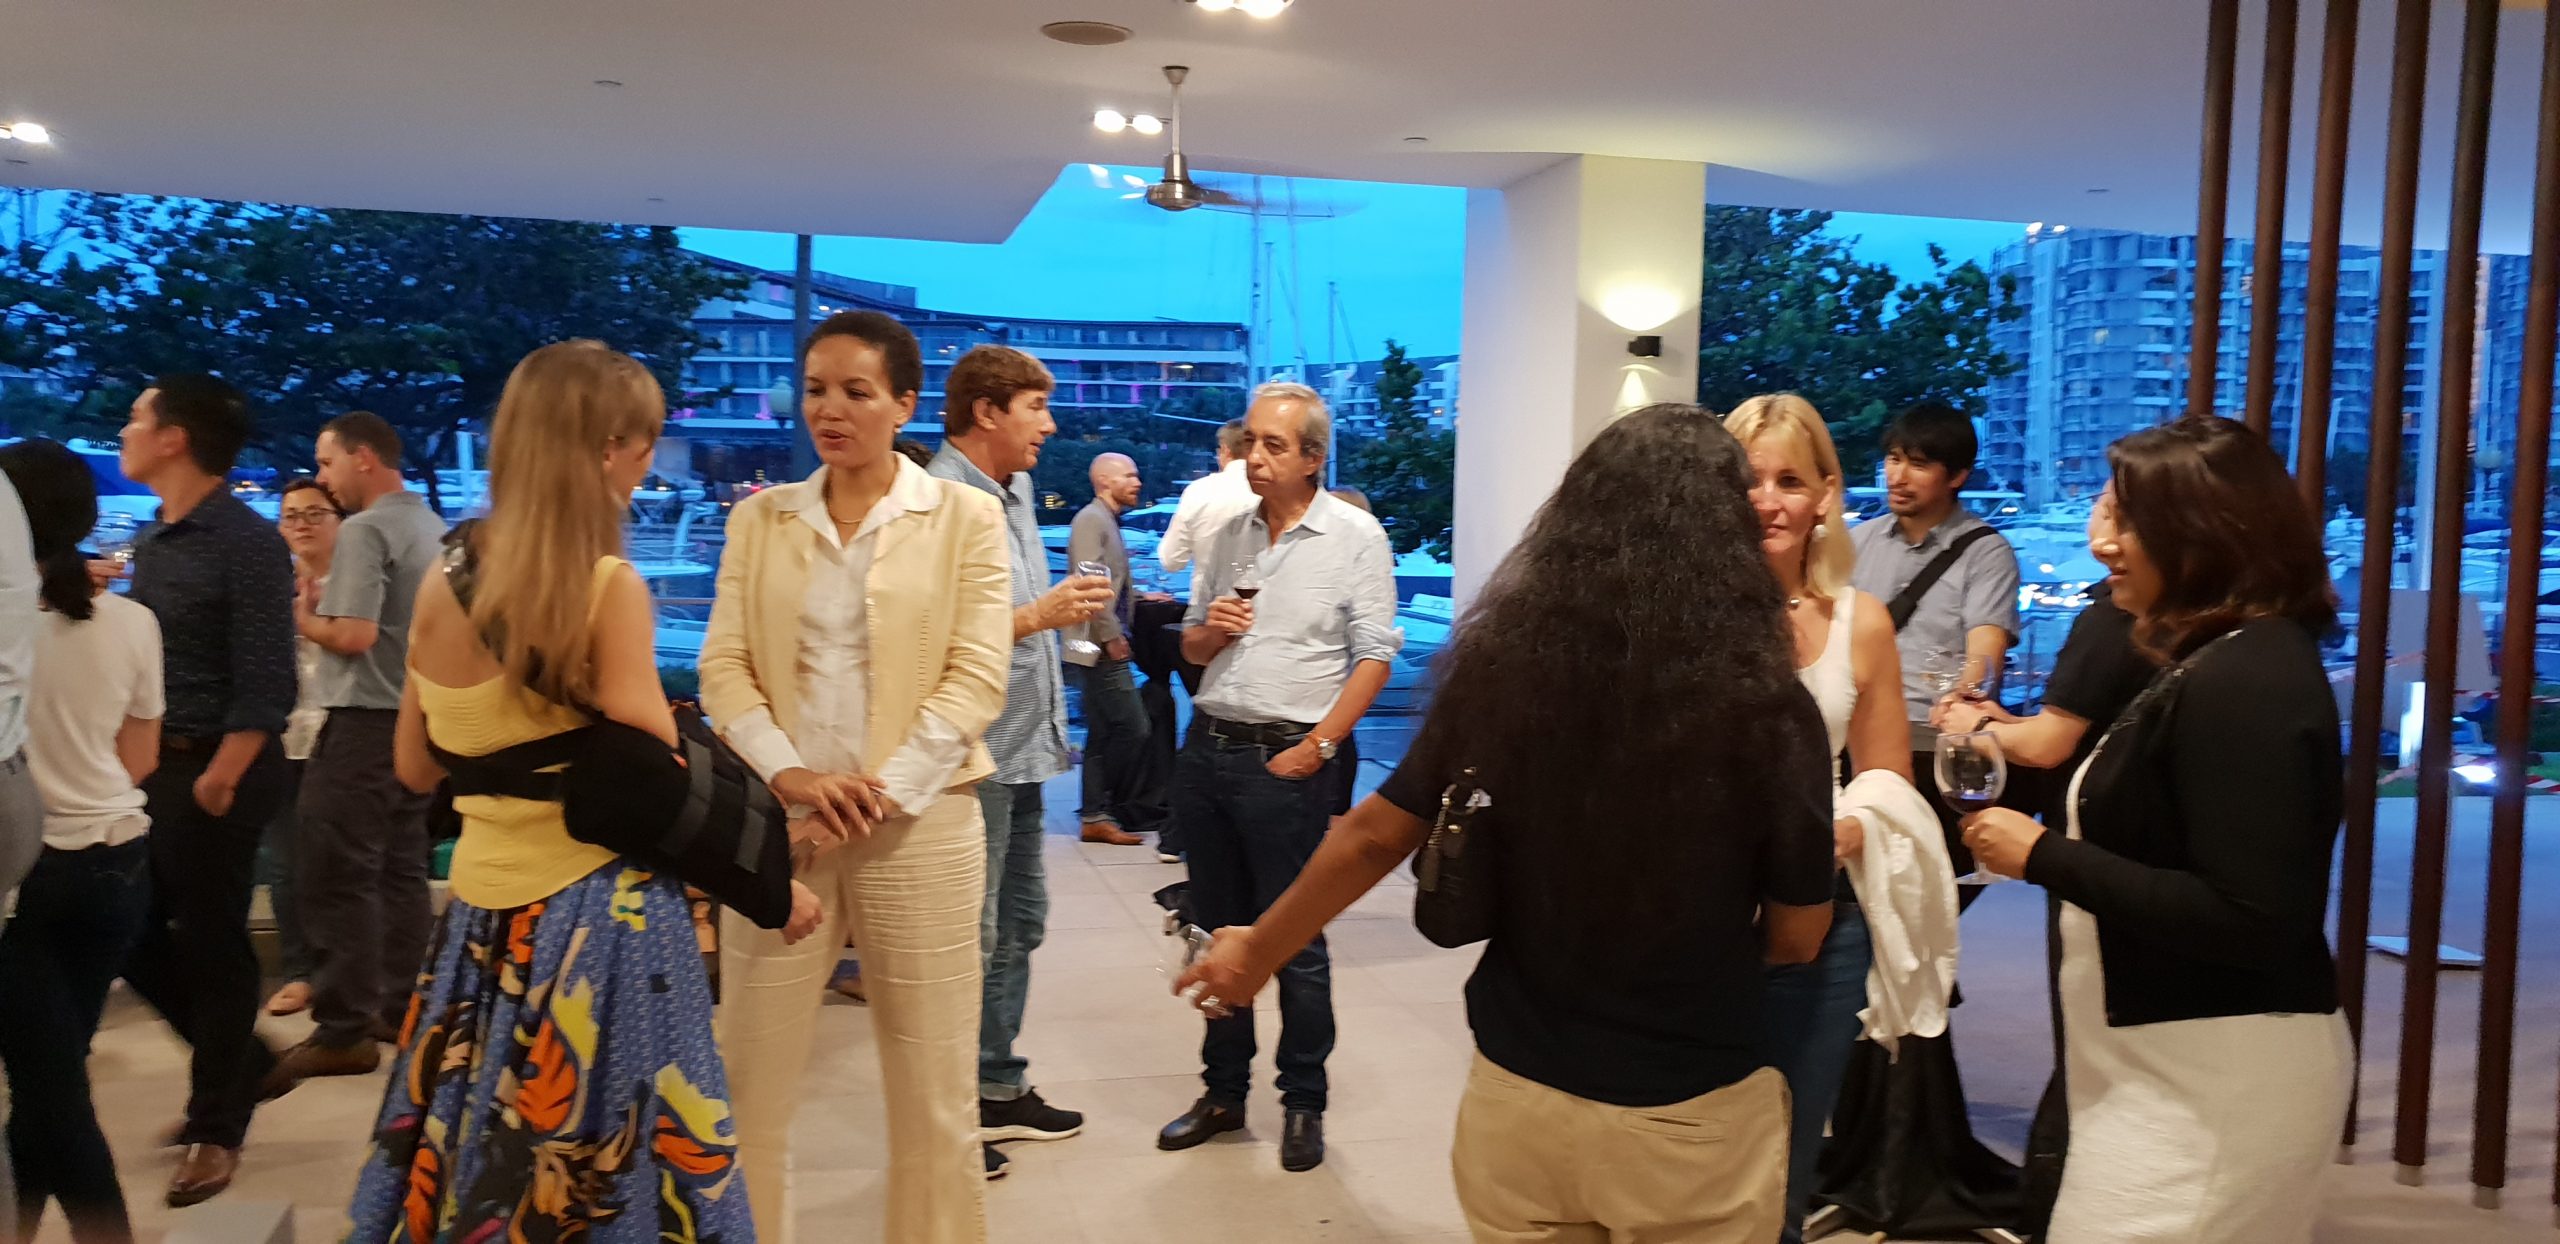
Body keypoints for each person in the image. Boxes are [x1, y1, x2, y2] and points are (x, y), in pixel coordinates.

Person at [1178, 403, 1834, 1239]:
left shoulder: (1504, 674)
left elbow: (1375, 835)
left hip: (1519, 1094)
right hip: (1689, 1105)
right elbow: (1798, 936)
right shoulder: (1771, 711)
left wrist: (1255, 951)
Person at [342, 341, 790, 1244]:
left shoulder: (443, 579)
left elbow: (417, 766)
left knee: (483, 1151)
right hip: (604, 925)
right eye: (645, 444)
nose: (647, 466)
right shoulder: (605, 587)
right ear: (607, 449)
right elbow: (661, 782)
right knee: (613, 1170)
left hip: (479, 922)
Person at [1960, 416, 2350, 1244]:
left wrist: (2044, 856)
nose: (2104, 544)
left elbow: (2252, 916)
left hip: (2217, 1076)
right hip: (2154, 1062)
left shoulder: (2251, 676)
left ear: (2205, 533)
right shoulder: (2211, 657)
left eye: (2129, 521)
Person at [703, 311, 1013, 1241]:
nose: (829, 410)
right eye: (815, 390)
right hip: (782, 826)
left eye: (855, 391)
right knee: (747, 1079)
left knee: (934, 1090)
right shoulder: (760, 519)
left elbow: (977, 675)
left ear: (904, 403)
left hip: (922, 826)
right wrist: (792, 774)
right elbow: (724, 668)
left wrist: (875, 793)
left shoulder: (964, 516)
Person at [1155, 382, 1401, 1174]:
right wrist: (1209, 632)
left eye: (1273, 445)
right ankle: (1223, 1092)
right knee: (1214, 931)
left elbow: (1374, 656)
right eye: (1251, 442)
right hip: (1208, 750)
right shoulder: (1228, 532)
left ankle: (1303, 1102)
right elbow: (1192, 648)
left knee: (1294, 938)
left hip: (1285, 759)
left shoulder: (1355, 537)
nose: (1253, 457)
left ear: (1313, 458)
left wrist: (1321, 746)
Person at [1931, 490, 2158, 1243]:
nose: (2102, 537)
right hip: (2123, 851)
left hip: (2094, 850)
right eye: (2104, 512)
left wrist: (1975, 724)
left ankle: (2050, 1213)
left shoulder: (2112, 617)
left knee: (2089, 1044)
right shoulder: (2177, 626)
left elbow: (2051, 744)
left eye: (2119, 515)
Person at [1723, 395, 1920, 1244]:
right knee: (1691, 1151)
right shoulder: (1681, 618)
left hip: (1820, 919)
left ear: (1827, 495)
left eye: (1789, 481)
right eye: (1747, 480)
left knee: (1786, 1157)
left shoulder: (1860, 623)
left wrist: (1843, 831)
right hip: (1696, 918)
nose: (1767, 501)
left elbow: (1886, 778)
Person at [926, 346, 1115, 1181]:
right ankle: (946, 1116)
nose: (1051, 424)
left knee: (1019, 927)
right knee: (968, 940)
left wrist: (1050, 618)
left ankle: (996, 1086)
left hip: (1027, 747)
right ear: (987, 411)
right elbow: (929, 635)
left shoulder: (1016, 490)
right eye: (1037, 406)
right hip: (971, 757)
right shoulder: (938, 499)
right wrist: (1039, 614)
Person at [116, 374, 298, 1207]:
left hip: (222, 767)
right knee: (131, 932)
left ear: (174, 438)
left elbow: (266, 679)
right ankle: (246, 1063)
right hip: (159, 766)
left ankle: (215, 1128)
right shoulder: (156, 537)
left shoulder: (246, 540)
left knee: (214, 943)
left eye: (137, 417)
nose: (126, 429)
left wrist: (223, 776)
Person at [0, 439, 162, 1244]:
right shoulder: (133, 621)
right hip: (118, 862)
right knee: (50, 1079)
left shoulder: (10, 636)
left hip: (25, 879)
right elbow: (141, 757)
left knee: (52, 1093)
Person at [271, 412, 448, 1086]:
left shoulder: (367, 529)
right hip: (418, 718)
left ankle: (344, 1027)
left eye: (327, 462)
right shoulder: (431, 526)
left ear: (363, 457)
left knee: (334, 870)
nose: (323, 479)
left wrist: (304, 619)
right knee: (400, 869)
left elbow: (352, 635)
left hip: (362, 720)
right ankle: (403, 1008)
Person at [259, 478, 343, 1018]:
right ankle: (299, 971)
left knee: (343, 863)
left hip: (340, 736)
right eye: (291, 515)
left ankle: (348, 970)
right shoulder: (271, 587)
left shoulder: (359, 588)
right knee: (284, 864)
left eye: (315, 513)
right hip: (282, 737)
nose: (302, 524)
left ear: (339, 521)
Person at [1067, 452, 1169, 846]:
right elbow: (1090, 584)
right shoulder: (1092, 520)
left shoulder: (1104, 519)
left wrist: (1140, 597)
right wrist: (1111, 635)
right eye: (1129, 475)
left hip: (1093, 640)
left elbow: (1109, 581)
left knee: (1104, 729)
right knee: (1133, 727)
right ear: (1105, 481)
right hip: (1094, 642)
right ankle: (1101, 808)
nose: (1137, 482)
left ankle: (1096, 814)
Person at [1157, 416, 1257, 576]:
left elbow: (1171, 560)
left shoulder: (1199, 491)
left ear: (1225, 450)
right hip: (1266, 591)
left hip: (1210, 590)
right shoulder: (1279, 490)